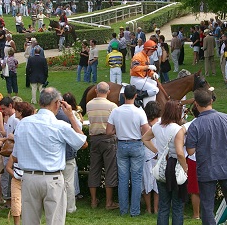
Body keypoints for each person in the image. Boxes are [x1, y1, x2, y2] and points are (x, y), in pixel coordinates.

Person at [12, 87, 86, 225]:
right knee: (55, 221)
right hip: (52, 178)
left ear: (40, 102)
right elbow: (82, 142)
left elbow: (15, 156)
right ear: (58, 103)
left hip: (29, 177)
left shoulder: (23, 124)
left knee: (29, 221)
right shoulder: (59, 125)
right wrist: (71, 116)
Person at [185, 88, 227, 225]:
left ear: (196, 104)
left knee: (207, 205)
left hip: (206, 167)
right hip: (226, 165)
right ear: (211, 101)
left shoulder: (195, 125)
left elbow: (190, 151)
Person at [142, 99, 188, 224]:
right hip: (175, 167)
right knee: (177, 206)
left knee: (164, 205)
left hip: (162, 167)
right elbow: (179, 152)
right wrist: (185, 168)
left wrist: (157, 152)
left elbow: (145, 138)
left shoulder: (157, 126)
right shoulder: (177, 129)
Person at [107, 85, 150, 217]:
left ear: (123, 95)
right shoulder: (140, 111)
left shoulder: (116, 111)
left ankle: (123, 210)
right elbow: (147, 131)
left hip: (121, 144)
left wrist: (117, 131)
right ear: (136, 95)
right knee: (136, 179)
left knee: (123, 179)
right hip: (136, 144)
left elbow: (108, 131)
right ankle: (135, 210)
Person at [86, 82, 120, 210]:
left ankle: (94, 201)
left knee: (94, 169)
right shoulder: (113, 106)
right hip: (108, 139)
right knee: (110, 169)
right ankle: (109, 202)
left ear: (95, 90)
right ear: (109, 92)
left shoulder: (89, 105)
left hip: (94, 138)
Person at [142, 101, 161, 215]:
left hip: (146, 154)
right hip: (158, 154)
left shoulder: (144, 124)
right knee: (157, 182)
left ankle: (148, 209)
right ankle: (156, 208)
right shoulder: (162, 123)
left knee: (146, 182)